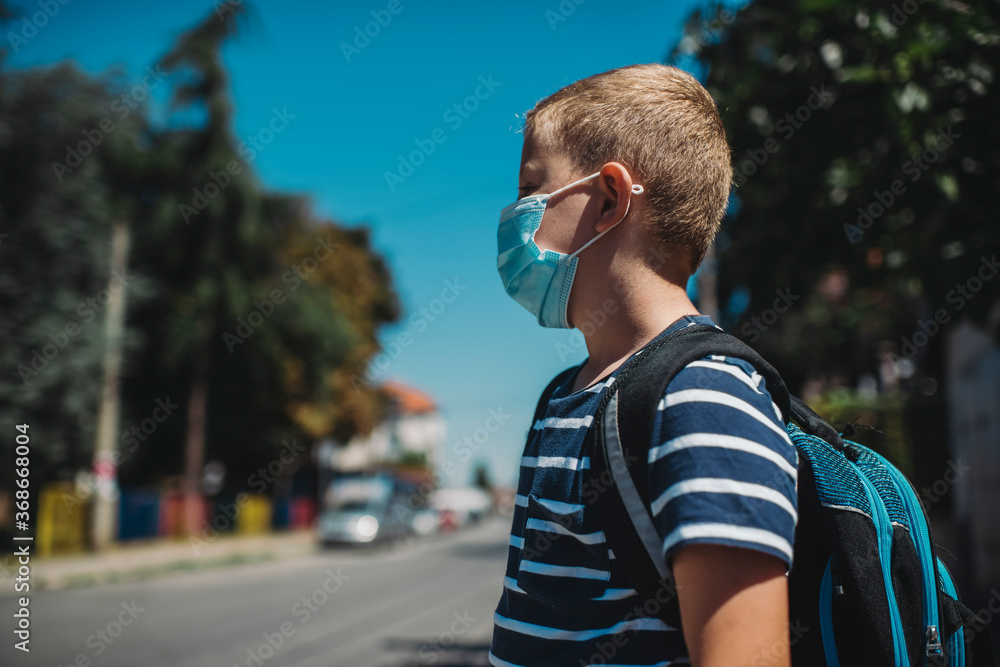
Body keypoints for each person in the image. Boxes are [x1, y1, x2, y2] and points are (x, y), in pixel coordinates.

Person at [489, 63, 798, 667]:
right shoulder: (564, 395)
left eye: (531, 191)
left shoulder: (704, 398)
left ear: (608, 199)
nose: (514, 215)